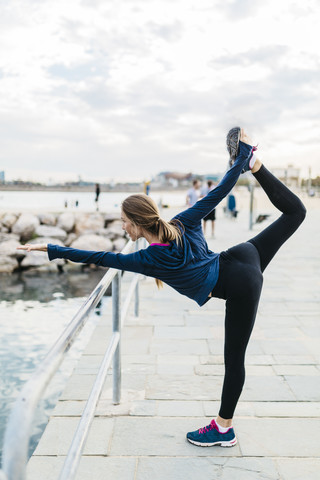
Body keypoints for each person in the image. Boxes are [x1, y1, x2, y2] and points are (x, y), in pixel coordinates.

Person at [17, 128, 306, 448]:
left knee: (234, 359)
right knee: (297, 212)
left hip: (240, 283)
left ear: (137, 224)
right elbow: (221, 190)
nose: (122, 226)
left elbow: (99, 256)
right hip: (241, 256)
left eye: (124, 221)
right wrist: (239, 162)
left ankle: (224, 429)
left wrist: (52, 249)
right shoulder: (182, 222)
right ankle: (254, 161)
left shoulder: (148, 259)